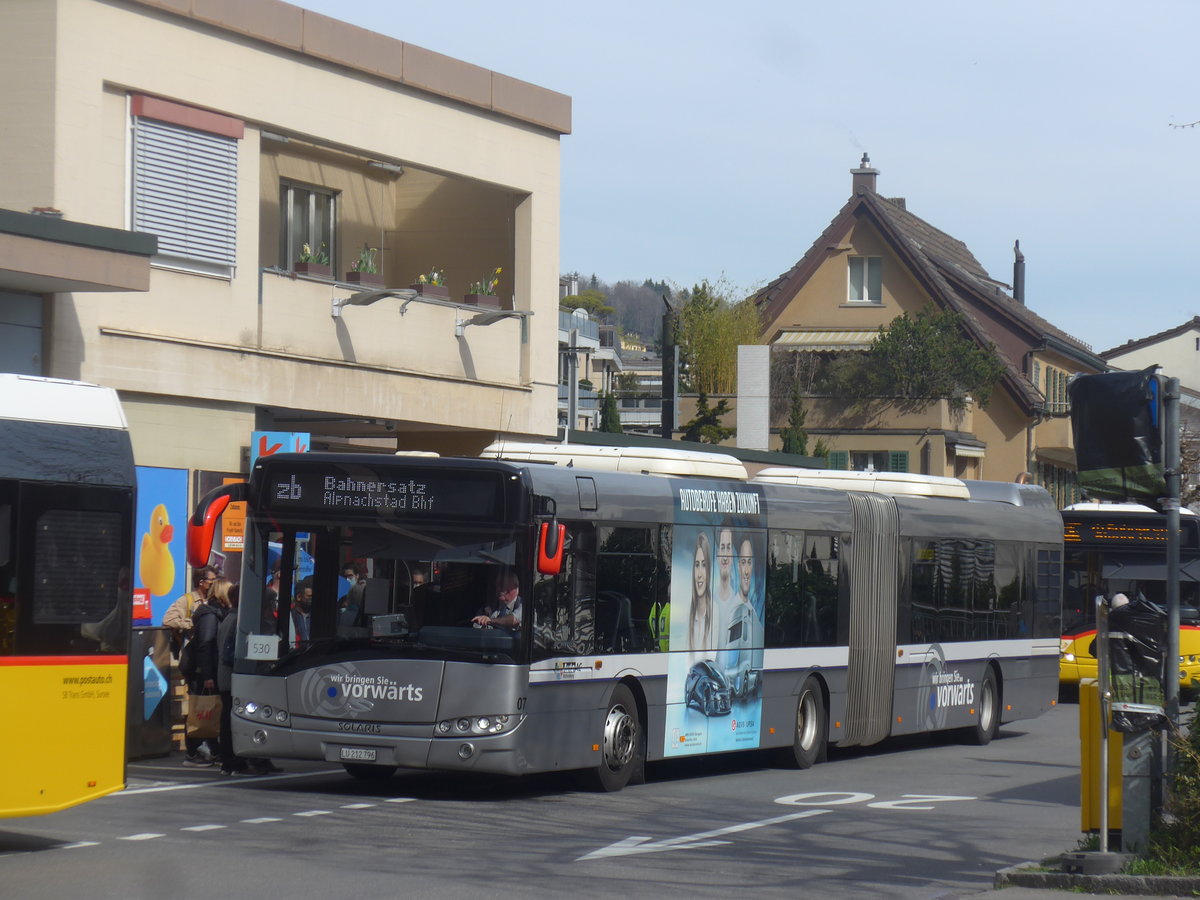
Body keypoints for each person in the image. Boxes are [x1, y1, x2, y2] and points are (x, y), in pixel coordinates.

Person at [182, 575, 227, 767]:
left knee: (209, 709)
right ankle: (193, 752)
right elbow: (205, 646)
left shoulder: (215, 612)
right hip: (202, 671)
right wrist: (208, 675)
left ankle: (213, 750)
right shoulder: (210, 615)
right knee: (203, 709)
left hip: (205, 669)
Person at [163, 565, 217, 654]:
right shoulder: (187, 600)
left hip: (210, 652)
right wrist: (191, 624)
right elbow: (168, 620)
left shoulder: (214, 600)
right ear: (201, 582)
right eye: (212, 580)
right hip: (191, 654)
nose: (214, 583)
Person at [688, 531, 713, 653]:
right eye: (697, 565)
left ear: (709, 570)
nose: (699, 574)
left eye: (704, 565)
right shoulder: (688, 614)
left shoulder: (715, 612)